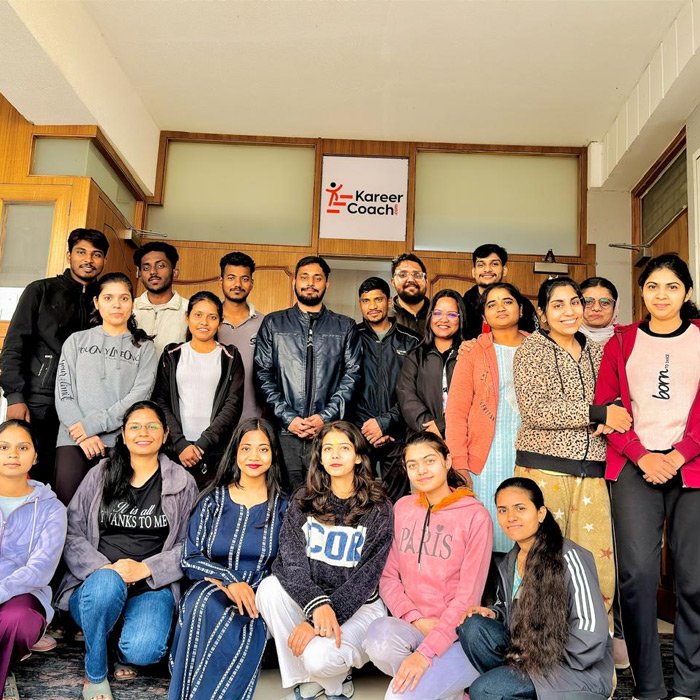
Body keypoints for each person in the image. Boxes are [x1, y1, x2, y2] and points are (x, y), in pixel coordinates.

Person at [595, 253, 700, 700]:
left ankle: (690, 685)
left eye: (672, 286)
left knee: (694, 579)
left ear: (686, 292)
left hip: (691, 468)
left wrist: (679, 455)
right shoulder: (620, 342)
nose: (661, 295)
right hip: (634, 467)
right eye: (653, 286)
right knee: (636, 577)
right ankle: (650, 686)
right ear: (642, 292)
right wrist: (642, 456)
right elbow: (607, 409)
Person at [55, 400, 198, 700]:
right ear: (123, 433)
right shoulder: (102, 473)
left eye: (151, 426)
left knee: (144, 652)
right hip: (96, 586)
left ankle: (113, 641)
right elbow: (71, 529)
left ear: (165, 433)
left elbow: (190, 545)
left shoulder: (182, 482)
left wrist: (145, 568)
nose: (143, 432)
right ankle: (95, 670)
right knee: (107, 585)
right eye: (135, 426)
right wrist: (104, 569)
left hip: (150, 586)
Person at [512, 276, 632, 629]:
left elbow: (615, 399)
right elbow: (536, 410)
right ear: (543, 313)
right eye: (558, 305)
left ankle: (594, 644)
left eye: (575, 302)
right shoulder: (531, 351)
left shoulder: (598, 351)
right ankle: (538, 645)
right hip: (543, 470)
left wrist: (612, 411)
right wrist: (598, 413)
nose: (569, 311)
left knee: (597, 565)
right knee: (543, 562)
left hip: (593, 471)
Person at [256, 421, 393, 700]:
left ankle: (331, 679)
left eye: (344, 448)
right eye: (328, 449)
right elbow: (290, 563)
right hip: (315, 601)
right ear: (319, 457)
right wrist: (317, 605)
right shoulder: (304, 500)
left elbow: (366, 579)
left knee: (320, 658)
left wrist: (320, 618)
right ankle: (314, 681)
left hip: (360, 607)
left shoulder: (378, 507)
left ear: (358, 456)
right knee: (269, 589)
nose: (335, 455)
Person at [458, 477, 613, 700]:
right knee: (472, 627)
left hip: (573, 669)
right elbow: (511, 609)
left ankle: (508, 689)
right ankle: (509, 688)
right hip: (527, 656)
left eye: (520, 508)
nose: (511, 517)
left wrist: (537, 659)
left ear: (540, 513)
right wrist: (494, 613)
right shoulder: (509, 562)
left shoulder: (569, 557)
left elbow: (591, 630)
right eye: (503, 510)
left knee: (483, 690)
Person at [364, 431, 492, 700]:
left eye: (429, 461)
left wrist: (424, 653)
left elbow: (468, 596)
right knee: (377, 638)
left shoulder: (475, 515)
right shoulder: (403, 507)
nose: (421, 470)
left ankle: (447, 687)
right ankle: (444, 691)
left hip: (458, 636)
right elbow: (387, 577)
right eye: (412, 465)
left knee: (398, 698)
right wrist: (415, 619)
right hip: (414, 626)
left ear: (447, 461)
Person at [168, 418, 287, 700]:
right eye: (246, 448)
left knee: (241, 622)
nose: (254, 456)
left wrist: (253, 589)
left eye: (263, 449)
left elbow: (288, 563)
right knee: (202, 602)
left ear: (273, 454)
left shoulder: (284, 506)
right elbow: (190, 557)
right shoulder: (212, 500)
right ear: (235, 452)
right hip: (211, 585)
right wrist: (229, 581)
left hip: (258, 594)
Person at [0, 228, 109, 486]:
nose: (88, 260)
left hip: (87, 408)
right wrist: (14, 396)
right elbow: (14, 346)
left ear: (104, 260)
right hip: (40, 401)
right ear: (69, 255)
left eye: (96, 254)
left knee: (74, 484)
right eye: (81, 252)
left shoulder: (106, 300)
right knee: (32, 477)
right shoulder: (40, 290)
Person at [254, 256, 361, 489]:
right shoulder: (273, 323)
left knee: (326, 495)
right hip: (283, 432)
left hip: (329, 434)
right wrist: (289, 418)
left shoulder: (345, 326)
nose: (310, 283)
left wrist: (325, 417)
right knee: (283, 497)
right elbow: (262, 374)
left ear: (327, 283)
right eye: (304, 277)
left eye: (317, 278)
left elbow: (352, 376)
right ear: (294, 281)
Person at [53, 272, 158, 506]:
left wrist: (93, 426)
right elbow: (63, 391)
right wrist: (83, 432)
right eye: (108, 298)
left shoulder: (144, 348)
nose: (116, 305)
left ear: (132, 303)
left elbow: (139, 396)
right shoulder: (76, 341)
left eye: (124, 298)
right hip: (73, 439)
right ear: (96, 302)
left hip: (119, 442)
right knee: (66, 510)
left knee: (110, 513)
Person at [445, 282, 529, 553]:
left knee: (526, 530)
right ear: (484, 316)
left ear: (521, 309)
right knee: (485, 533)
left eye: (508, 301)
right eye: (492, 304)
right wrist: (459, 462)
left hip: (530, 456)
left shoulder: (538, 348)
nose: (500, 308)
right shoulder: (472, 352)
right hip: (484, 459)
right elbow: (456, 411)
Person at [0, 419, 67, 695]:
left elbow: (41, 568)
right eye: (4, 447)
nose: (13, 454)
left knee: (19, 620)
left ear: (36, 456)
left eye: (23, 447)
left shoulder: (52, 509)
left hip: (22, 596)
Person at [152, 291, 244, 490]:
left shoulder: (230, 356)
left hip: (215, 451)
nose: (204, 322)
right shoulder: (172, 354)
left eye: (212, 317)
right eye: (198, 315)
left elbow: (233, 405)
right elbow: (160, 401)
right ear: (187, 318)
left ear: (220, 322)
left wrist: (203, 444)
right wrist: (180, 444)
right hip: (176, 449)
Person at [353, 276, 421, 501]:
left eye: (378, 299)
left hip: (397, 436)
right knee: (360, 499)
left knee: (397, 503)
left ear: (389, 301)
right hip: (361, 435)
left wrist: (384, 424)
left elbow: (416, 392)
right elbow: (345, 387)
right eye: (366, 301)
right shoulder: (351, 337)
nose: (372, 306)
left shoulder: (411, 340)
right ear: (360, 304)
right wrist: (368, 428)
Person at [396, 290, 466, 440]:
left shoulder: (469, 353)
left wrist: (442, 425)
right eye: (438, 313)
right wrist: (430, 429)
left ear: (460, 319)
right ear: (430, 317)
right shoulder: (415, 355)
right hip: (422, 438)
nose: (444, 320)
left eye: (452, 315)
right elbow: (406, 395)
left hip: (461, 437)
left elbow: (476, 400)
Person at [217, 251, 265, 422]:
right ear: (221, 281)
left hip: (253, 420)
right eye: (231, 278)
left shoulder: (265, 323)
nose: (237, 284)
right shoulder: (208, 323)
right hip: (213, 419)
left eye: (244, 279)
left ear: (251, 283)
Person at [461, 244, 537, 340]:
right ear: (474, 272)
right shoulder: (462, 305)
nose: (487, 269)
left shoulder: (522, 304)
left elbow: (534, 339)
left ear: (504, 270)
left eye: (494, 264)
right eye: (481, 265)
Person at [132, 242, 188, 356]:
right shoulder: (129, 308)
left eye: (161, 266)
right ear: (140, 275)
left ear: (175, 272)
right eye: (146, 268)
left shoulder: (189, 310)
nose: (153, 272)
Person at [390, 253, 430, 335]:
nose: (411, 280)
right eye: (402, 275)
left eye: (417, 275)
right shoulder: (385, 317)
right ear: (393, 282)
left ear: (426, 282)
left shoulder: (439, 315)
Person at [579, 276, 619, 344]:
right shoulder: (564, 338)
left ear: (615, 308)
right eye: (588, 302)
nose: (596, 308)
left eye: (605, 303)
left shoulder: (627, 339)